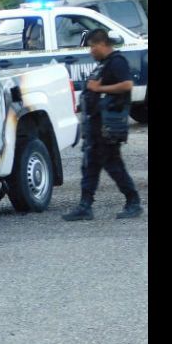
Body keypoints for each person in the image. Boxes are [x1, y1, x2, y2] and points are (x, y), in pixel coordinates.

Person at [62, 29, 142, 221]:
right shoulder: (104, 64)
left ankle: (134, 202)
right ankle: (85, 206)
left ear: (101, 44)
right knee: (90, 165)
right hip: (96, 124)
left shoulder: (117, 61)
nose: (91, 51)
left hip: (109, 124)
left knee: (113, 164)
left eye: (92, 46)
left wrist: (100, 89)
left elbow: (127, 84)